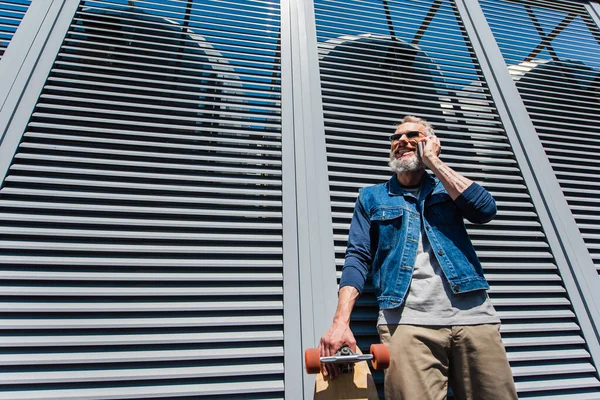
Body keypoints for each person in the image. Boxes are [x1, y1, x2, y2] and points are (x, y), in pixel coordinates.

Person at [319, 116, 517, 400]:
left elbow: (485, 210)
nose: (401, 141)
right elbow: (357, 258)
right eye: (396, 137)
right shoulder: (372, 197)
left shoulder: (447, 189)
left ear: (431, 143)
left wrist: (434, 163)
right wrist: (340, 322)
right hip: (406, 323)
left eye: (414, 135)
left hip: (475, 319)